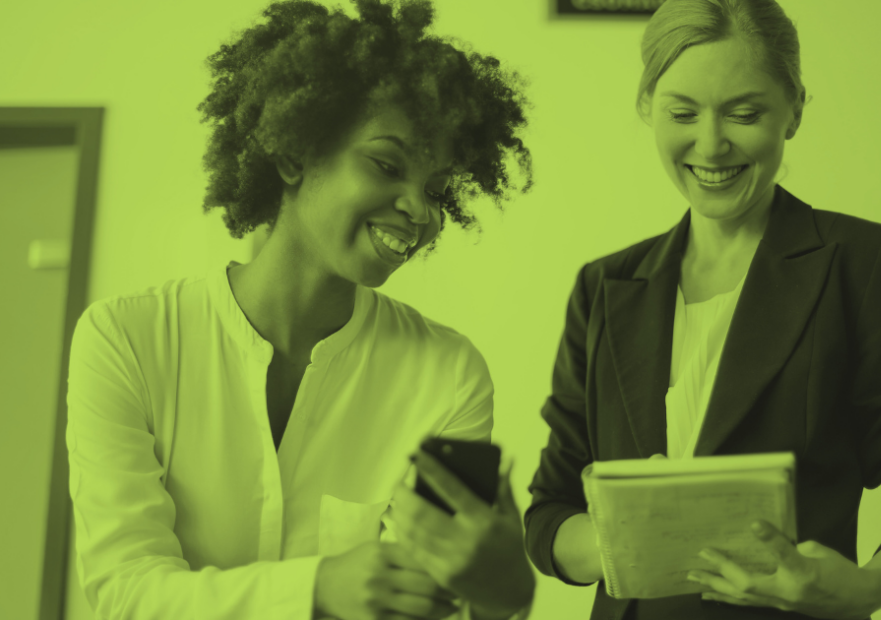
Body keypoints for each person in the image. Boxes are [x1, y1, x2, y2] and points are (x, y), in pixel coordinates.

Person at [65, 1, 535, 619]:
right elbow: (125, 594)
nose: (419, 210)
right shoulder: (126, 339)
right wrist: (316, 589)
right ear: (294, 155)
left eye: (436, 187)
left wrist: (501, 592)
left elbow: (424, 600)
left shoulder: (448, 374)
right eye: (387, 165)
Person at [523, 0, 881, 618]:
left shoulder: (867, 264)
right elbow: (550, 512)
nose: (710, 146)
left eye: (745, 113)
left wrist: (864, 588)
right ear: (647, 107)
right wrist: (629, 533)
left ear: (793, 111)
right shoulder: (604, 286)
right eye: (682, 113)